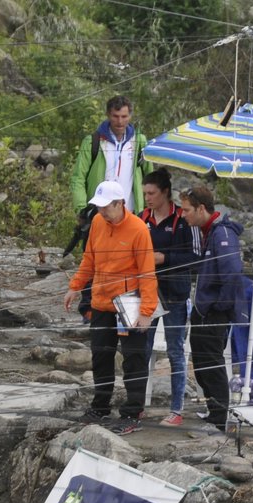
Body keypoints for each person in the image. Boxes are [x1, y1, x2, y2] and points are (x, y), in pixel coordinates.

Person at [63, 179, 158, 434]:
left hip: (129, 304)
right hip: (102, 301)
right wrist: (75, 286)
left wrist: (147, 312)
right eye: (99, 206)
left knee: (133, 358)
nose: (102, 211)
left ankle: (133, 412)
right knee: (101, 355)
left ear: (120, 203)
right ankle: (100, 406)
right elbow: (89, 259)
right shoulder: (96, 222)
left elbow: (148, 273)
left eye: (106, 207)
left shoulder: (139, 230)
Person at [184, 183, 243, 427]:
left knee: (212, 364)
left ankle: (220, 419)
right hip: (202, 311)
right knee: (200, 364)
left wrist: (216, 307)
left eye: (187, 210)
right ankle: (212, 410)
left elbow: (233, 274)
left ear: (200, 209)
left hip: (213, 313)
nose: (184, 215)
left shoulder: (222, 234)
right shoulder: (207, 231)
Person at [139, 168, 194, 426]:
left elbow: (194, 258)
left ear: (165, 193)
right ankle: (137, 404)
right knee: (142, 348)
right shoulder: (142, 218)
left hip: (175, 294)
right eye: (145, 194)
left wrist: (165, 258)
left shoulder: (182, 220)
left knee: (175, 351)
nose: (148, 198)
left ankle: (176, 409)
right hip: (147, 294)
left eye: (151, 193)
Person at [69, 95, 149, 215]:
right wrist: (82, 210)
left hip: (131, 214)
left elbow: (149, 178)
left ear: (130, 116)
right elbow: (78, 178)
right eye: (115, 116)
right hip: (99, 214)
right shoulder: (92, 141)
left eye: (124, 116)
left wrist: (148, 210)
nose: (120, 121)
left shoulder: (139, 142)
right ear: (108, 115)